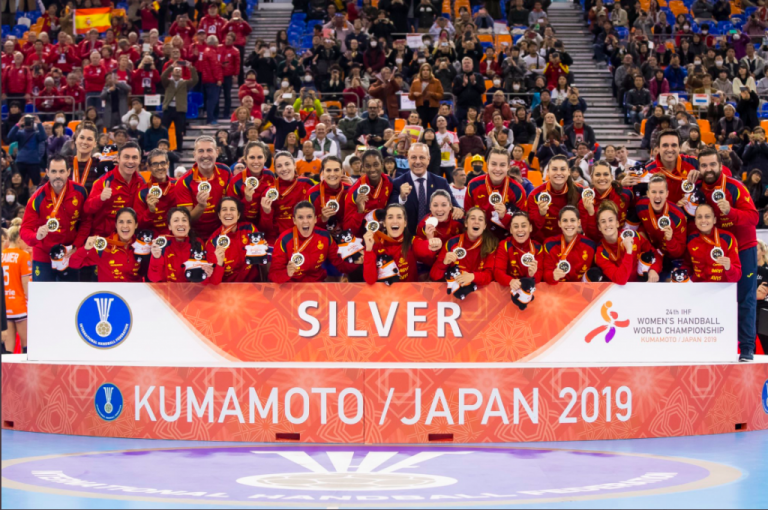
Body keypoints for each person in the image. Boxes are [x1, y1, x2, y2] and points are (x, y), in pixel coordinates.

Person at [697, 147, 759, 361]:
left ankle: (747, 348)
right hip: (715, 250)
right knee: (714, 297)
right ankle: (717, 345)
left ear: (720, 165)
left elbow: (753, 218)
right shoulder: (697, 188)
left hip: (743, 248)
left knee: (745, 298)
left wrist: (730, 211)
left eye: (712, 164)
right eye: (704, 165)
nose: (708, 169)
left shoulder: (734, 187)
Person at [20, 156, 91, 282]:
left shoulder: (80, 192)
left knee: (70, 297)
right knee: (43, 297)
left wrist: (76, 245)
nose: (58, 176)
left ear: (68, 172)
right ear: (47, 172)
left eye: (61, 171)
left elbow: (86, 222)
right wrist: (36, 236)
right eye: (53, 171)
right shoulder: (37, 198)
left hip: (69, 253)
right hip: (44, 255)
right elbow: (25, 230)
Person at [269, 201, 361, 283]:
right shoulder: (284, 239)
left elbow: (341, 265)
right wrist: (287, 273)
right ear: (294, 221)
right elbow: (273, 275)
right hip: (292, 286)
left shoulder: (325, 237)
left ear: (315, 219)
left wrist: (356, 260)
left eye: (309, 217)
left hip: (317, 284)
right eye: (300, 217)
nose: (305, 221)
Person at [390, 143, 461, 235]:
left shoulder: (441, 182)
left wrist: (458, 210)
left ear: (429, 160)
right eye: (414, 157)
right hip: (406, 240)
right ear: (408, 159)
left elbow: (456, 207)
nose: (418, 161)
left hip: (435, 239)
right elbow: (389, 210)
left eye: (422, 157)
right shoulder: (397, 183)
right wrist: (402, 198)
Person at [177, 136, 232, 241]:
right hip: (195, 236)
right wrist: (201, 206)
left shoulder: (226, 171)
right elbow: (185, 220)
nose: (205, 155)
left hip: (223, 231)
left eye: (209, 150)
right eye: (201, 151)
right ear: (194, 155)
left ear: (217, 152)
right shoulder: (184, 182)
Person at [85, 141, 145, 239]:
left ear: (139, 160)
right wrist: (100, 198)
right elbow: (87, 209)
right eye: (126, 157)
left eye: (134, 158)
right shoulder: (103, 181)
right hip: (105, 240)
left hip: (130, 239)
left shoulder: (141, 182)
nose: (130, 161)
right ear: (118, 159)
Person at [464, 148, 528, 239]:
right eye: (494, 164)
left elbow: (522, 224)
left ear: (508, 167)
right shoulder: (474, 185)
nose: (497, 169)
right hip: (479, 238)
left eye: (502, 165)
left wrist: (504, 216)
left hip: (507, 239)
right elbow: (467, 217)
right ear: (487, 165)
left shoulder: (517, 190)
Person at [69, 207, 144, 282]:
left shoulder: (143, 246)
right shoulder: (104, 246)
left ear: (136, 225)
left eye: (129, 222)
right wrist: (85, 249)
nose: (125, 226)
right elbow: (73, 264)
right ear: (116, 225)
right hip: (110, 293)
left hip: (135, 292)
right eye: (121, 222)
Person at [594, 201, 662, 284]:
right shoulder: (600, 254)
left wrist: (654, 269)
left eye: (611, 220)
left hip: (641, 285)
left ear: (617, 223)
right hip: (618, 290)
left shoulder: (633, 235)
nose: (607, 224)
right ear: (599, 227)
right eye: (603, 221)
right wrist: (629, 251)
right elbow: (621, 280)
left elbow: (655, 254)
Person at [429, 206, 497, 287]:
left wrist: (473, 277)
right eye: (472, 218)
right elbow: (434, 276)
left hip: (481, 293)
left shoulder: (490, 245)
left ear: (485, 226)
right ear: (466, 223)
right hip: (454, 292)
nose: (476, 222)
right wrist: (444, 263)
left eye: (480, 219)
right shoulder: (452, 243)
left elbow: (490, 276)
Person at [258, 151, 314, 243]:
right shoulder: (269, 191)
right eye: (279, 166)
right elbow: (265, 229)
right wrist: (267, 213)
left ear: (294, 165)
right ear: (275, 170)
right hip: (279, 239)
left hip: (305, 236)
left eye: (287, 164)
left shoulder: (307, 183)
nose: (284, 169)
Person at [148, 207, 214, 283]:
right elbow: (154, 278)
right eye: (176, 220)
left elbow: (201, 280)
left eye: (184, 220)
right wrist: (156, 257)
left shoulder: (198, 243)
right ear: (169, 226)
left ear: (189, 226)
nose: (180, 224)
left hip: (191, 291)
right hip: (167, 292)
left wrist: (207, 273)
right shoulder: (162, 245)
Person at [203, 197, 260, 284]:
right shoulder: (213, 242)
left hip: (252, 285)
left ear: (238, 215)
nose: (228, 213)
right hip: (227, 289)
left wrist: (262, 251)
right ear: (219, 215)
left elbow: (262, 262)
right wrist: (219, 262)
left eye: (232, 209)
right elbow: (214, 282)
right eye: (224, 209)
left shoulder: (249, 229)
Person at [684, 203, 742, 283]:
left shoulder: (728, 238)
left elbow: (737, 276)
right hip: (698, 288)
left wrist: (729, 267)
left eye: (707, 216)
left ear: (714, 220)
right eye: (699, 217)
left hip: (722, 288)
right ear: (695, 221)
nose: (703, 220)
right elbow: (687, 266)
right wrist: (680, 272)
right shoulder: (691, 238)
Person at [528, 155, 581, 242]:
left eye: (563, 169)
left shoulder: (579, 192)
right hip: (544, 245)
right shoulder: (535, 195)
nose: (559, 173)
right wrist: (540, 214)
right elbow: (532, 230)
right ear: (548, 172)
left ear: (568, 172)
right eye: (554, 169)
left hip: (571, 243)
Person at [634, 174, 688, 260]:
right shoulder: (640, 206)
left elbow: (679, 253)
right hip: (650, 253)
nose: (657, 196)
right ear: (648, 194)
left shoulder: (678, 216)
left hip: (671, 259)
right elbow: (638, 225)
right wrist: (642, 235)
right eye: (654, 192)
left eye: (661, 192)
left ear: (667, 194)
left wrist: (670, 239)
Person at [578, 161, 634, 242]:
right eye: (597, 175)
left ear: (611, 177)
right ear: (592, 178)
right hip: (598, 247)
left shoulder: (624, 195)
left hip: (622, 242)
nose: (602, 178)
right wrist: (591, 213)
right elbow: (590, 236)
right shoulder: (584, 201)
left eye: (605, 174)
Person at [362, 203, 418, 284]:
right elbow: (370, 280)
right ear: (384, 223)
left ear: (405, 223)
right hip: (384, 295)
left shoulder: (413, 242)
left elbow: (427, 253)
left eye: (399, 217)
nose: (395, 221)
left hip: (409, 295)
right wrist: (368, 250)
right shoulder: (375, 245)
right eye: (390, 217)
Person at [343, 150, 394, 235]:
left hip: (385, 235)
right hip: (364, 239)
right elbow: (348, 230)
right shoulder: (354, 192)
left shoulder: (389, 182)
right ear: (363, 167)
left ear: (382, 164)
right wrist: (359, 210)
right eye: (368, 166)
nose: (372, 169)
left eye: (376, 165)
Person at [225, 141, 275, 226]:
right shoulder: (236, 182)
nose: (256, 161)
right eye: (252, 157)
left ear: (265, 159)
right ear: (245, 160)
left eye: (259, 157)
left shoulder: (270, 176)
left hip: (266, 226)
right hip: (243, 229)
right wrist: (247, 201)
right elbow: (232, 215)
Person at [644, 129, 699, 206]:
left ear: (679, 148)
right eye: (665, 145)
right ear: (658, 149)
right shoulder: (648, 171)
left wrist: (702, 174)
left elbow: (718, 170)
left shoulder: (693, 163)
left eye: (674, 145)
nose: (670, 149)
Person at [493, 211, 544, 293]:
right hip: (508, 291)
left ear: (530, 228)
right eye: (516, 226)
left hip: (530, 291)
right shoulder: (504, 245)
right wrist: (510, 281)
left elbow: (539, 276)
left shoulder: (538, 248)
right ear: (511, 230)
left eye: (524, 226)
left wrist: (532, 275)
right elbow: (498, 272)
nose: (520, 230)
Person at [543, 206, 596, 284]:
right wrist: (553, 276)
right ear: (559, 223)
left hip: (583, 291)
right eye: (565, 220)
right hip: (558, 291)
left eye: (572, 220)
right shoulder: (549, 244)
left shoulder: (590, 245)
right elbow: (545, 274)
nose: (569, 224)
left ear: (578, 223)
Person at [412, 189, 464, 266]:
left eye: (444, 205)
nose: (439, 209)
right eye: (435, 205)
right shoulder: (423, 225)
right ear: (430, 207)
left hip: (456, 262)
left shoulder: (459, 220)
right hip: (432, 265)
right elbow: (422, 257)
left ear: (450, 206)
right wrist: (429, 242)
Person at [135, 149, 178, 234]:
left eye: (162, 163)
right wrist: (150, 211)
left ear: (168, 164)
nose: (159, 167)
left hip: (175, 238)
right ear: (149, 167)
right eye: (155, 164)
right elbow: (138, 225)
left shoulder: (178, 185)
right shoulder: (142, 192)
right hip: (151, 241)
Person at [2, 225, 30, 354]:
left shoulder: (2, 255)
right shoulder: (23, 256)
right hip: (19, 305)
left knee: (8, 347)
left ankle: (6, 374)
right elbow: (26, 284)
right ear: (19, 239)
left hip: (4, 306)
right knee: (27, 344)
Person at [161, 61, 199, 151]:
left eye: (179, 70)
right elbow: (163, 76)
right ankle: (163, 147)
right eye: (176, 70)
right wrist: (170, 67)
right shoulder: (168, 82)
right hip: (168, 108)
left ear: (182, 73)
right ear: (172, 72)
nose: (177, 71)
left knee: (179, 131)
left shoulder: (185, 83)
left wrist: (191, 68)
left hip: (180, 110)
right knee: (164, 130)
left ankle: (179, 149)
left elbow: (195, 80)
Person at [307, 156, 350, 232]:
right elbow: (307, 224)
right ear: (323, 173)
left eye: (336, 170)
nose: (332, 174)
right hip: (322, 238)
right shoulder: (312, 193)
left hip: (347, 237)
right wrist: (322, 219)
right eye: (328, 170)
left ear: (342, 172)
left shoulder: (350, 190)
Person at [7, 115, 46, 188]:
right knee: (19, 184)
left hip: (33, 162)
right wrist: (18, 124)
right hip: (21, 162)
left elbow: (43, 137)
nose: (28, 123)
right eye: (27, 121)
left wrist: (39, 123)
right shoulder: (20, 133)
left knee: (37, 184)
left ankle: (37, 198)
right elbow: (9, 137)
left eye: (30, 121)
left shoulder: (36, 134)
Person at [409, 63, 444, 129]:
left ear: (430, 71)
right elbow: (410, 96)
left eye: (427, 70)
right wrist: (414, 94)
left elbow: (441, 95)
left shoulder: (436, 81)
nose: (425, 72)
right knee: (422, 127)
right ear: (421, 71)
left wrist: (432, 94)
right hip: (421, 107)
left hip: (433, 107)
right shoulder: (415, 82)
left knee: (434, 127)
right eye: (423, 70)